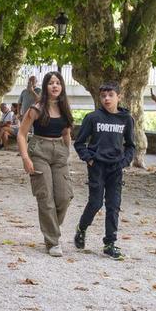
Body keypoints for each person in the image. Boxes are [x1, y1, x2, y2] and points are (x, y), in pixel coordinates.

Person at [72, 81, 134, 260]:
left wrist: (124, 161)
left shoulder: (126, 119)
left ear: (118, 97)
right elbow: (79, 143)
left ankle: (110, 243)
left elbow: (131, 145)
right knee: (96, 202)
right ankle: (81, 229)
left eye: (110, 95)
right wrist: (90, 159)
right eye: (103, 96)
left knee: (113, 205)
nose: (106, 99)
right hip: (97, 166)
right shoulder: (92, 117)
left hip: (116, 168)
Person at [16, 71, 74, 257]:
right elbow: (22, 134)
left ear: (62, 86)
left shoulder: (65, 107)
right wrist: (25, 158)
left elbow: (66, 133)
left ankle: (51, 228)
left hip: (60, 152)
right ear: (46, 86)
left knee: (64, 196)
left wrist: (68, 154)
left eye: (58, 83)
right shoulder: (36, 108)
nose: (55, 86)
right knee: (45, 196)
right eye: (51, 83)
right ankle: (52, 241)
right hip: (39, 150)